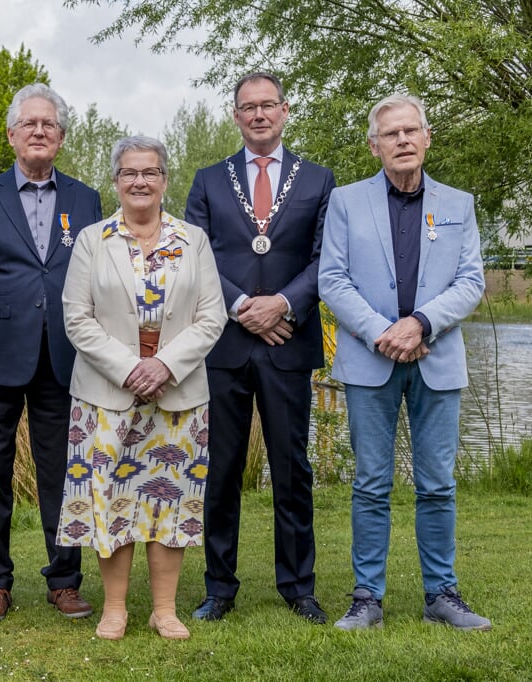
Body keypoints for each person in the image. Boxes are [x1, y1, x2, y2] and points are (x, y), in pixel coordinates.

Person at [319, 94, 490, 631]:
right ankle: (367, 598)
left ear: (427, 136)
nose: (402, 141)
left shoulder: (458, 204)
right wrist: (381, 332)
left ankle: (442, 594)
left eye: (410, 131)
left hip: (436, 357)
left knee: (437, 483)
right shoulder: (346, 202)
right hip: (371, 360)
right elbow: (332, 279)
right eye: (390, 134)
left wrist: (420, 323)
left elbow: (471, 282)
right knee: (371, 482)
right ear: (375, 145)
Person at [57, 136, 226, 640]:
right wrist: (131, 368)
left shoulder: (191, 239)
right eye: (130, 172)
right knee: (110, 499)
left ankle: (164, 609)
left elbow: (212, 316)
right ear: (116, 181)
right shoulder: (93, 239)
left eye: (150, 172)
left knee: (170, 502)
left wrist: (165, 366)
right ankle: (114, 609)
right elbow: (77, 318)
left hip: (178, 392)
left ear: (164, 180)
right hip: (106, 394)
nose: (140, 181)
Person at [0, 83, 102, 622]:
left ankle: (64, 580)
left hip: (66, 359)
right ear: (12, 135)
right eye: (29, 124)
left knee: (64, 473)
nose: (39, 131)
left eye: (49, 125)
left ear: (60, 138)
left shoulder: (87, 200)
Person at [185, 72, 336, 624]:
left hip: (288, 343)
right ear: (235, 116)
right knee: (220, 470)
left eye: (267, 105)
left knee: (292, 469)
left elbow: (326, 259)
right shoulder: (207, 180)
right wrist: (245, 306)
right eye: (247, 107)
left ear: (285, 110)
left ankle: (298, 586)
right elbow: (195, 255)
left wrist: (284, 305)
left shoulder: (320, 180)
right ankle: (219, 589)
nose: (258, 115)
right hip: (224, 344)